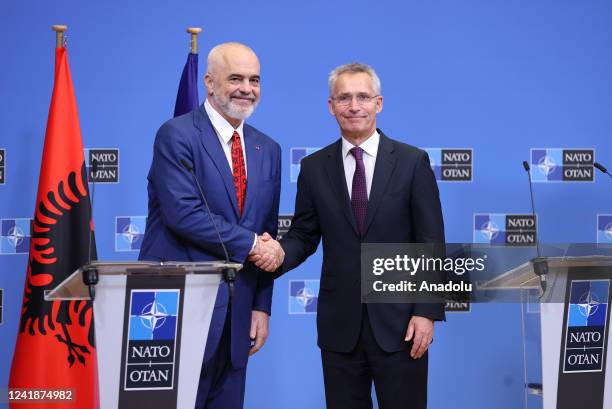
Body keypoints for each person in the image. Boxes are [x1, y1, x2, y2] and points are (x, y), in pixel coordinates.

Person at [252, 62, 445, 409]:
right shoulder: (313, 167)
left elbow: (430, 242)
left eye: (362, 97)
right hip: (340, 328)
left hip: (401, 325)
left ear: (379, 103)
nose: (354, 106)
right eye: (344, 98)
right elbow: (304, 234)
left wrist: (426, 312)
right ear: (331, 106)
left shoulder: (412, 161)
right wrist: (278, 254)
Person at [139, 42, 281, 409]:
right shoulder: (176, 135)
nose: (246, 89)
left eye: (254, 80)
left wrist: (261, 306)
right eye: (235, 78)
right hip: (176, 311)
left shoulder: (269, 149)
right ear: (209, 82)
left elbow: (267, 231)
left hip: (238, 317)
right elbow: (183, 214)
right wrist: (253, 245)